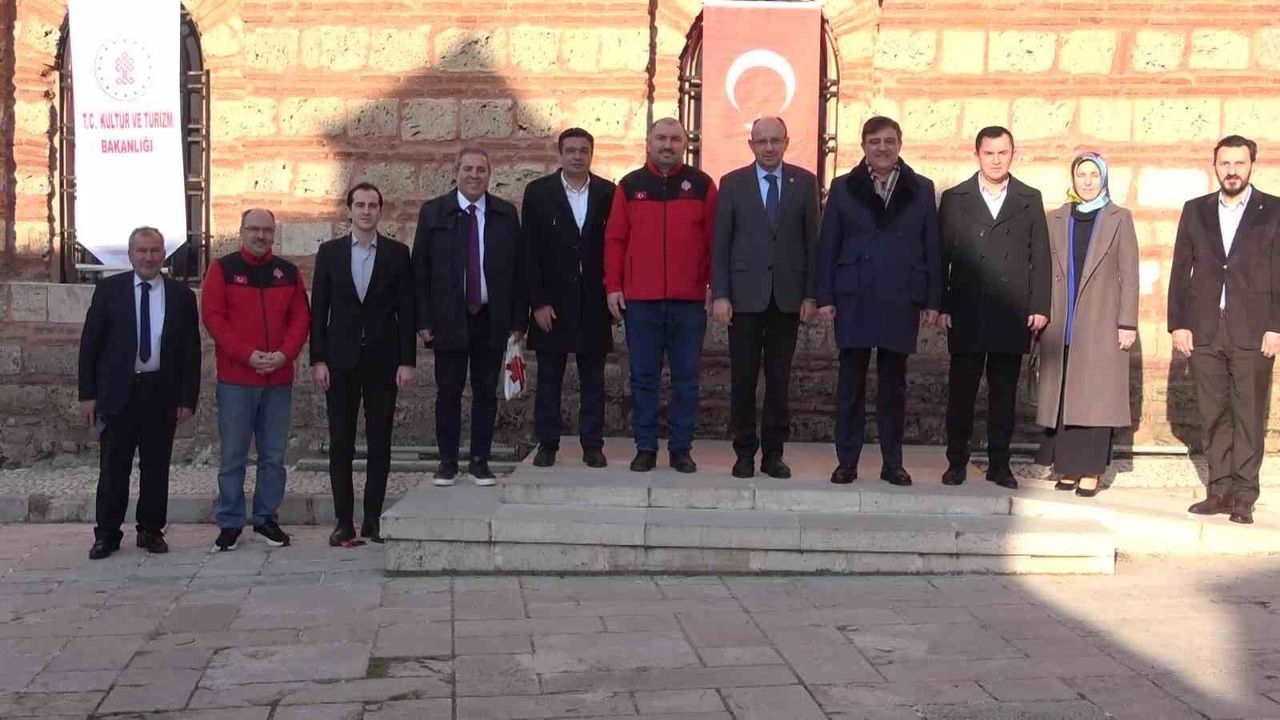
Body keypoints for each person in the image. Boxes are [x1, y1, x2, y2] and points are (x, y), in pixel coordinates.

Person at [816, 116, 941, 486]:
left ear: (899, 144)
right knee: (850, 385)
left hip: (901, 296)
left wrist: (933, 299)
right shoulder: (842, 187)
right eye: (875, 142)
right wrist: (825, 296)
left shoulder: (921, 188)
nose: (882, 148)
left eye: (889, 141)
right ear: (864, 147)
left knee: (894, 387)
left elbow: (932, 246)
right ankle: (847, 462)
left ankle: (893, 464)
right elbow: (828, 245)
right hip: (854, 295)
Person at [1169, 135, 1280, 525]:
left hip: (1253, 329)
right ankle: (1218, 491)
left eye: (1239, 163)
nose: (1232, 171)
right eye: (1225, 163)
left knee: (1248, 414)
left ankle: (1244, 496)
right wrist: (1179, 323)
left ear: (1252, 165)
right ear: (1215, 165)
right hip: (1204, 329)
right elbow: (1180, 269)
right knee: (1213, 412)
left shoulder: (1274, 210)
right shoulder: (1195, 210)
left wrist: (1276, 327)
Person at [78, 227, 201, 560]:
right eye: (142, 251)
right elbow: (90, 345)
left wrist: (187, 398)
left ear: (164, 254)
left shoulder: (181, 296)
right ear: (131, 254)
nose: (149, 257)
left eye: (155, 250)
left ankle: (151, 530)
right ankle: (107, 534)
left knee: (156, 467)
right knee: (113, 467)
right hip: (118, 392)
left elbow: (191, 351)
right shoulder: (109, 290)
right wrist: (87, 394)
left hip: (161, 392)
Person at [938, 126, 1051, 489]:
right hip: (966, 309)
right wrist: (941, 304)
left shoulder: (1029, 197)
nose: (996, 160)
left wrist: (1039, 305)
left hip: (1010, 310)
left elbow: (1041, 256)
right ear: (977, 155)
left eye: (1003, 152)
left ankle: (1000, 465)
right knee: (962, 392)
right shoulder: (955, 198)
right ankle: (956, 461)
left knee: (1004, 395)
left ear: (1012, 154)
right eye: (989, 153)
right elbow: (941, 256)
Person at [605, 117, 718, 473]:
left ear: (685, 144)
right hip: (641, 301)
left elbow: (715, 240)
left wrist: (714, 286)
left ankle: (681, 449)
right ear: (649, 142)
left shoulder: (702, 185)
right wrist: (614, 286)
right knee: (643, 378)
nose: (667, 145)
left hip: (689, 301)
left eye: (675, 139)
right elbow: (615, 239)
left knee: (687, 378)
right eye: (661, 138)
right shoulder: (629, 186)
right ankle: (646, 447)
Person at [711, 117, 818, 478]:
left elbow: (812, 242)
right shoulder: (732, 183)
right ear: (751, 145)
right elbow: (721, 243)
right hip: (743, 299)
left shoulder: (804, 182)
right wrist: (721, 294)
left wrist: (810, 294)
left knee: (779, 379)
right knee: (742, 379)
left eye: (775, 140)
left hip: (786, 299)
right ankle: (744, 452)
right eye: (762, 141)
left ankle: (774, 453)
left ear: (786, 142)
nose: (769, 147)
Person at [413, 147, 527, 486]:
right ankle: (447, 463)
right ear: (456, 172)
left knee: (485, 393)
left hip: (491, 319)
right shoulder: (434, 212)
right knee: (448, 393)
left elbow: (519, 271)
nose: (474, 175)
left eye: (481, 169)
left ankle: (480, 461)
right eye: (468, 169)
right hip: (448, 319)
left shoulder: (505, 214)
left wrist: (518, 321)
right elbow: (420, 270)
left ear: (489, 174)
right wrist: (423, 321)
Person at [311, 183, 416, 546]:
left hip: (383, 362)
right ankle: (344, 522)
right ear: (349, 210)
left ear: (380, 211)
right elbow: (319, 310)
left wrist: (407, 361)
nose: (366, 211)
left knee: (380, 443)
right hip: (339, 363)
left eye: (373, 205)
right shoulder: (330, 253)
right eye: (360, 205)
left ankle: (372, 519)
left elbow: (407, 309)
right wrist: (318, 359)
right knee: (341, 444)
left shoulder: (397, 253)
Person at [202, 208, 311, 551]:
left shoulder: (288, 273)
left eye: (267, 230)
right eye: (254, 229)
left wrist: (284, 355)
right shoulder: (222, 269)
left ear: (273, 233)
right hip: (236, 379)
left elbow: (300, 319)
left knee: (273, 456)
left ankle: (266, 519)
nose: (261, 236)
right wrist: (247, 355)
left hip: (277, 379)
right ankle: (230, 523)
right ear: (241, 231)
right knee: (233, 455)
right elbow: (214, 318)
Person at [1034, 152, 1139, 497]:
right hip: (1062, 319)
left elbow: (1130, 273)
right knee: (1065, 394)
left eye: (1094, 175)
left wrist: (1127, 322)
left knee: (1095, 396)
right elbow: (1044, 268)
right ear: (1073, 179)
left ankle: (1091, 469)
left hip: (1101, 319)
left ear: (1104, 178)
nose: (1088, 181)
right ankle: (1066, 467)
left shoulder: (1119, 218)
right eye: (1082, 175)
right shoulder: (1057, 218)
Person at [524, 128, 616, 469]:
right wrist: (538, 302)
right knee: (549, 377)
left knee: (593, 378)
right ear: (560, 154)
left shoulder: (608, 192)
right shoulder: (539, 192)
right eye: (571, 150)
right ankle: (547, 443)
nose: (577, 156)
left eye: (583, 150)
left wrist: (612, 294)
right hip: (553, 302)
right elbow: (529, 252)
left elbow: (614, 246)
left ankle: (592, 444)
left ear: (591, 154)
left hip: (593, 301)